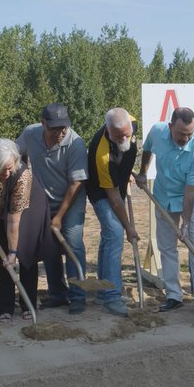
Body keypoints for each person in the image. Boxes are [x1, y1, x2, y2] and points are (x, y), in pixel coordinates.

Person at [135, 107, 194, 316]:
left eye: (190, 133)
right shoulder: (157, 132)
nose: (186, 138)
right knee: (167, 246)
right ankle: (174, 295)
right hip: (164, 195)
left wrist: (185, 225)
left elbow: (190, 192)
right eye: (181, 134)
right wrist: (143, 173)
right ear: (170, 127)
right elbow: (148, 149)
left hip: (192, 198)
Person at [16, 103, 88, 315]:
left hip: (71, 198)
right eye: (55, 128)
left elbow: (76, 184)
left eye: (63, 128)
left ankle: (78, 296)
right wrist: (24, 175)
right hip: (43, 200)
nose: (60, 133)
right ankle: (58, 294)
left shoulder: (75, 144)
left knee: (72, 243)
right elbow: (15, 153)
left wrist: (58, 217)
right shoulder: (31, 133)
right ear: (43, 123)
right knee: (49, 246)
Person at [0, 139, 53, 321]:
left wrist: (14, 253)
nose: (7, 173)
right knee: (3, 257)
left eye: (10, 167)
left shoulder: (21, 177)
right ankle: (5, 307)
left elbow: (14, 221)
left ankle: (27, 304)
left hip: (28, 210)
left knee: (25, 255)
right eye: (3, 169)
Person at [86, 107, 139, 317]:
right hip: (101, 191)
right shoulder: (102, 154)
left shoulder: (131, 122)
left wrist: (132, 173)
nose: (124, 138)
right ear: (108, 131)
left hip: (118, 181)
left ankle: (101, 290)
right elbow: (114, 198)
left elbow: (128, 150)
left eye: (127, 134)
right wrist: (129, 228)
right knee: (115, 233)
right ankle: (111, 297)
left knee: (109, 237)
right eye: (118, 136)